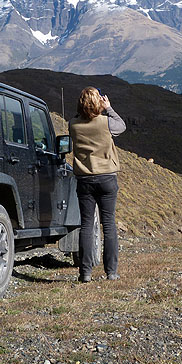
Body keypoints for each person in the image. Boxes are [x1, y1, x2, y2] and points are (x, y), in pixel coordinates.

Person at [68, 87, 126, 283]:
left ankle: (85, 273)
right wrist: (108, 108)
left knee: (86, 225)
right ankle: (111, 272)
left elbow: (79, 116)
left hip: (84, 179)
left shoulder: (73, 125)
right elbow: (122, 126)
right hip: (107, 178)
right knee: (108, 224)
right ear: (99, 103)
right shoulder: (107, 123)